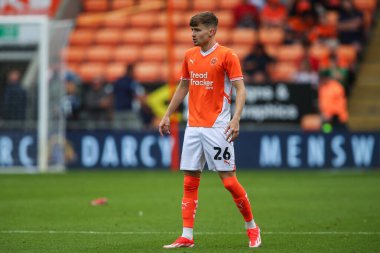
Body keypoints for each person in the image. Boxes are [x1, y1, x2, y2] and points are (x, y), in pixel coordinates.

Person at [158, 12, 261, 249]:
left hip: (218, 127)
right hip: (193, 126)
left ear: (211, 31)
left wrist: (236, 119)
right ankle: (187, 235)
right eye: (191, 30)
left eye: (197, 30)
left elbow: (241, 89)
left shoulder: (227, 55)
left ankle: (252, 227)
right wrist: (167, 114)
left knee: (228, 182)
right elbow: (184, 85)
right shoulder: (189, 56)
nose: (193, 34)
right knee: (190, 182)